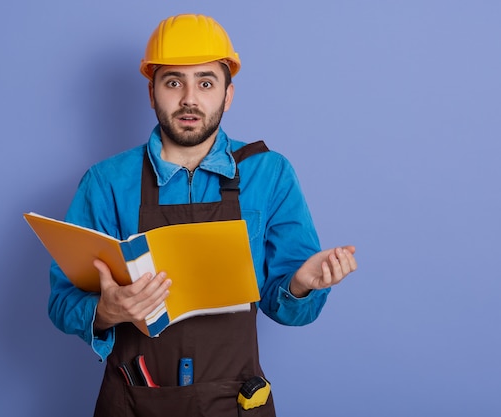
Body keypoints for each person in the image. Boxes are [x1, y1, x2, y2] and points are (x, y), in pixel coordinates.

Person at [48, 13, 357, 417]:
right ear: (151, 92)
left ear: (228, 94)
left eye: (206, 83)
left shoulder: (269, 173)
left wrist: (300, 286)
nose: (189, 99)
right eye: (173, 82)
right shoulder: (106, 182)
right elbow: (62, 302)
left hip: (236, 402)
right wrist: (107, 311)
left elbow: (291, 311)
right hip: (133, 401)